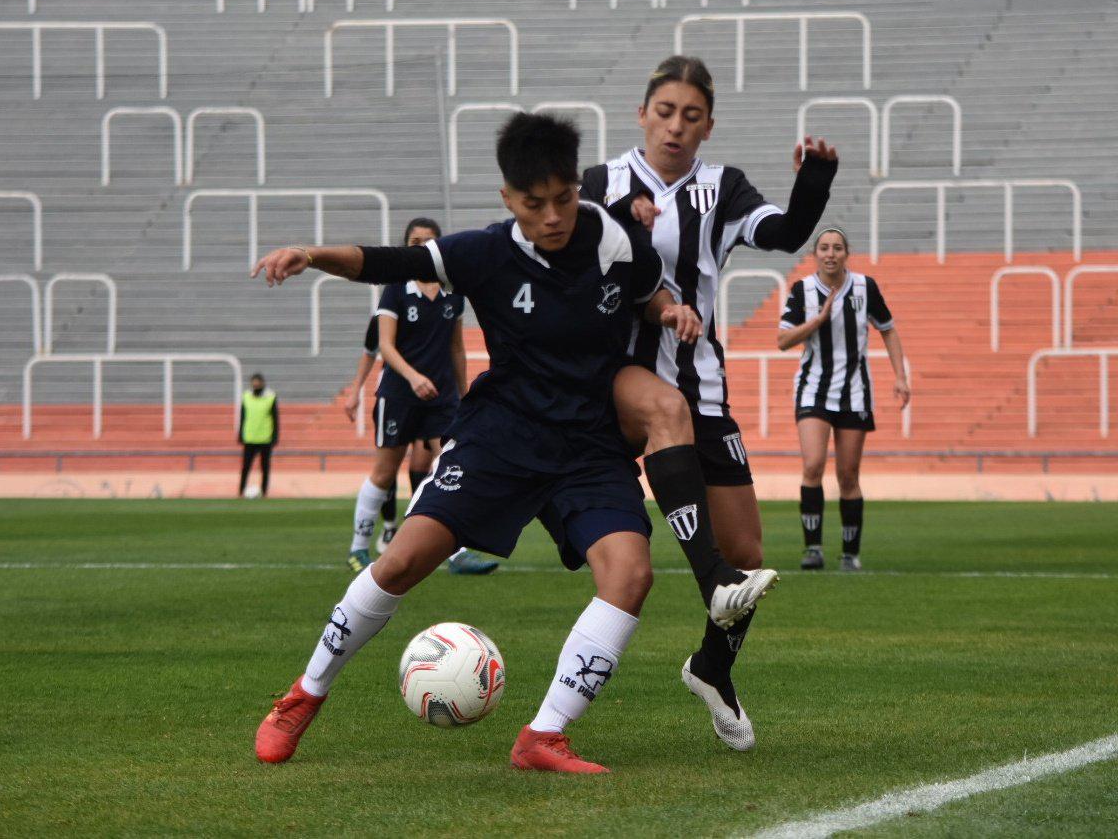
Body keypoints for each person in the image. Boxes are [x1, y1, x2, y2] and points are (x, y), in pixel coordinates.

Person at [248, 113, 768, 773]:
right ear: (507, 200)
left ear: (575, 188)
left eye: (561, 198)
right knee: (404, 560)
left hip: (588, 447)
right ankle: (303, 694)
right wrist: (313, 255)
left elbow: (646, 293)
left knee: (630, 574)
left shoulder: (613, 241)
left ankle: (543, 736)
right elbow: (389, 259)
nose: (551, 216)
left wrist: (669, 309)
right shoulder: (485, 252)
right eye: (533, 204)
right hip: (501, 436)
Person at [579, 54, 838, 749]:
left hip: (702, 382)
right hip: (611, 381)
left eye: (691, 116)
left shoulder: (720, 189)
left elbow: (783, 234)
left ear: (708, 127)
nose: (675, 126)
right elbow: (565, 251)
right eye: (664, 111)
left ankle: (711, 667)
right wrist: (619, 224)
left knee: (748, 552)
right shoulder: (601, 182)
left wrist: (812, 183)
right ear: (641, 113)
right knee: (617, 542)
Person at [340, 219, 499, 576]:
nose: (421, 246)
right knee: (384, 473)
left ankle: (454, 551)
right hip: (399, 394)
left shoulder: (453, 291)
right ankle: (358, 548)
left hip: (440, 398)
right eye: (415, 241)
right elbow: (384, 345)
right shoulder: (396, 288)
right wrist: (412, 378)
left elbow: (457, 347)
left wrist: (463, 394)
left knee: (447, 471)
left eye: (428, 241)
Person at [777, 227, 909, 572]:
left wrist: (900, 376)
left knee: (848, 473)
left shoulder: (865, 287)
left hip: (854, 391)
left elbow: (888, 329)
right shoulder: (802, 290)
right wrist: (817, 321)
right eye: (824, 248)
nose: (830, 253)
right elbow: (783, 340)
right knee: (813, 465)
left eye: (837, 248)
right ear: (815, 254)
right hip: (813, 388)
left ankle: (850, 553)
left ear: (846, 253)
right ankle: (813, 549)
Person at [341, 317, 434, 553]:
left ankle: (421, 529)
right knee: (387, 469)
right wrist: (354, 392)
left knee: (428, 464)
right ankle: (390, 526)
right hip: (396, 398)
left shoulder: (442, 302)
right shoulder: (388, 308)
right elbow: (369, 352)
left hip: (433, 394)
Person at [238, 373, 278, 497]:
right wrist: (240, 434)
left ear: (262, 383)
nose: (255, 384)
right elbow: (243, 417)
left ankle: (264, 491)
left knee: (265, 468)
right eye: (253, 382)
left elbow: (275, 418)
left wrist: (275, 436)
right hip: (249, 437)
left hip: (265, 438)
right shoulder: (246, 396)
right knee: (245, 467)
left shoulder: (270, 397)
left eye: (257, 382)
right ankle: (241, 491)